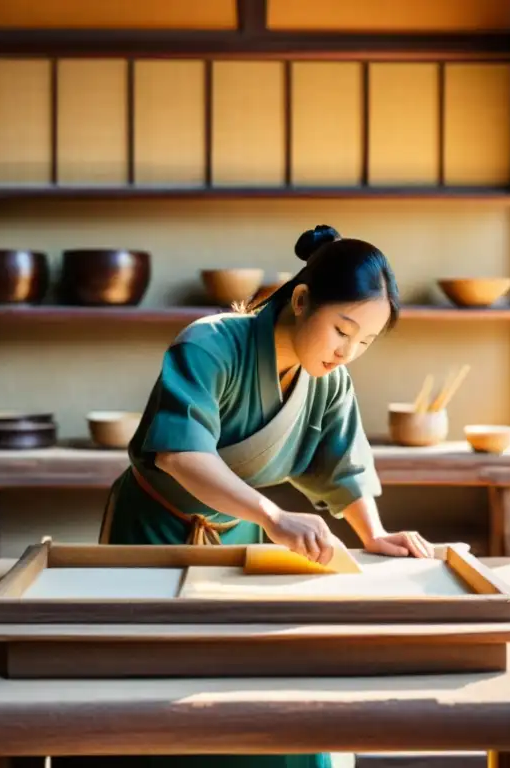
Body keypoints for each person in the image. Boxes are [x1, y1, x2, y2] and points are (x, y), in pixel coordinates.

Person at [88, 224, 434, 768]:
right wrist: (273, 515)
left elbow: (342, 462)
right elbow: (182, 454)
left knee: (248, 688)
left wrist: (374, 534)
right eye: (342, 330)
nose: (347, 353)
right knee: (149, 693)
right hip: (153, 531)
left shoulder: (329, 381)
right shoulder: (209, 344)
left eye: (364, 342)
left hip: (244, 533)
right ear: (301, 300)